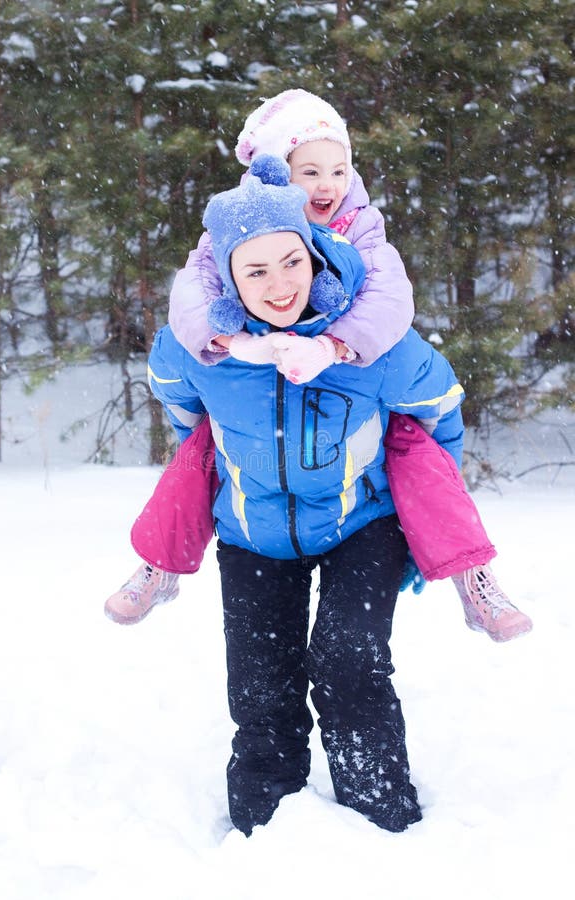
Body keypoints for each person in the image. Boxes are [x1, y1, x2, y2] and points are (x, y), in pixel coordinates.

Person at [105, 89, 532, 642]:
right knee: (205, 448)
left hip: (357, 374)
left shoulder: (361, 227)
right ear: (274, 174)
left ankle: (473, 573)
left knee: (414, 451)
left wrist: (334, 347)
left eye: (340, 168)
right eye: (309, 171)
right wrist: (230, 343)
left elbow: (390, 300)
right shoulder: (239, 224)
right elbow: (190, 293)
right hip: (256, 377)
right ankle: (158, 565)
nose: (327, 185)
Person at [145, 154, 467, 834]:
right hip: (253, 531)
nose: (279, 283)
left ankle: (380, 812)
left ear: (315, 256)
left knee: (348, 658)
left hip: (362, 524)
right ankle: (266, 822)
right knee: (262, 685)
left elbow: (440, 402)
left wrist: (427, 488)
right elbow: (179, 404)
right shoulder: (199, 350)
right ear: (229, 281)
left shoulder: (369, 341)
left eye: (291, 262)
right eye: (255, 270)